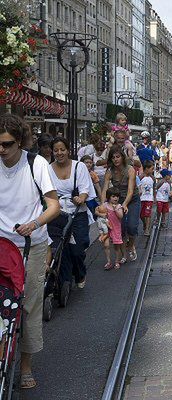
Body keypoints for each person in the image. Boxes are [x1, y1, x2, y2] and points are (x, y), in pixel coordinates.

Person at [0, 114, 60, 389]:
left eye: (7, 144)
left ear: (19, 142)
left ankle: (25, 366)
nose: (1, 149)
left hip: (30, 245)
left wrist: (34, 223)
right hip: (2, 245)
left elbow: (54, 206)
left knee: (28, 305)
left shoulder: (36, 164)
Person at [49, 137, 96, 289]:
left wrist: (81, 198)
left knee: (78, 247)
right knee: (61, 248)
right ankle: (64, 279)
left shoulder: (79, 167)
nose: (59, 153)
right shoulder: (48, 169)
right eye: (56, 150)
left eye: (62, 149)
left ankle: (80, 272)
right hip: (57, 214)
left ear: (68, 150)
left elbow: (85, 189)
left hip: (77, 213)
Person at [101, 145, 140, 262]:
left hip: (132, 199)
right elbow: (105, 190)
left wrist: (125, 204)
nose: (115, 160)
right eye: (113, 158)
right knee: (121, 228)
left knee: (132, 226)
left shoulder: (130, 170)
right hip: (118, 201)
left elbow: (130, 190)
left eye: (118, 157)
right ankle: (123, 253)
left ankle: (131, 245)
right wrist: (103, 204)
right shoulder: (110, 172)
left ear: (122, 157)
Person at [98, 187, 124, 270]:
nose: (116, 198)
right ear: (109, 197)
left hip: (116, 228)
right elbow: (97, 210)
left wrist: (115, 209)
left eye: (117, 196)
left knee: (117, 246)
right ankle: (108, 261)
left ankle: (117, 261)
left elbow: (121, 216)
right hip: (106, 228)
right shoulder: (105, 205)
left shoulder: (119, 206)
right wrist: (101, 214)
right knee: (106, 245)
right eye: (113, 196)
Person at [139, 160, 155, 236]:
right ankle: (145, 224)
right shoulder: (140, 177)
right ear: (146, 169)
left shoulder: (153, 178)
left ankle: (147, 229)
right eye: (152, 169)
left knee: (147, 214)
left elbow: (154, 188)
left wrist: (154, 197)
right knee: (141, 215)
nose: (153, 170)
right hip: (141, 199)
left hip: (149, 199)